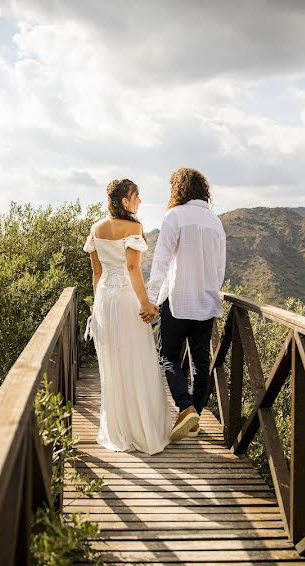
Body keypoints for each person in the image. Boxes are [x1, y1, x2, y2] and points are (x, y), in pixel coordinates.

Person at [83, 179, 171, 454]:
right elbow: (133, 269)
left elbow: (96, 274)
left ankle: (119, 430)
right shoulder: (134, 228)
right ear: (125, 201)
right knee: (138, 359)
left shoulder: (96, 229)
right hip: (125, 299)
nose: (140, 201)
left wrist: (96, 305)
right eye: (136, 196)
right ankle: (142, 430)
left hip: (105, 301)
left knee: (114, 365)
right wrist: (147, 304)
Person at [147, 168, 226, 441]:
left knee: (169, 355)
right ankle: (195, 416)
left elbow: (161, 263)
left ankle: (185, 406)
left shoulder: (175, 216)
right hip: (205, 302)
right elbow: (220, 269)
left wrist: (150, 299)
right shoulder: (216, 222)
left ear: (178, 189)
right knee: (201, 362)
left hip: (177, 301)